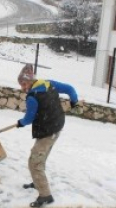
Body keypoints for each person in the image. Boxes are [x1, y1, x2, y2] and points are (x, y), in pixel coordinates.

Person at [16, 64, 78, 207]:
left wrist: (20, 123)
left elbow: (28, 119)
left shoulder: (32, 98)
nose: (22, 87)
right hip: (56, 125)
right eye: (21, 85)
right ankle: (38, 181)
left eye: (24, 84)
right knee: (40, 156)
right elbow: (69, 89)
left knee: (34, 162)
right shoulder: (48, 83)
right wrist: (74, 100)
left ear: (30, 81)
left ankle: (45, 196)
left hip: (48, 130)